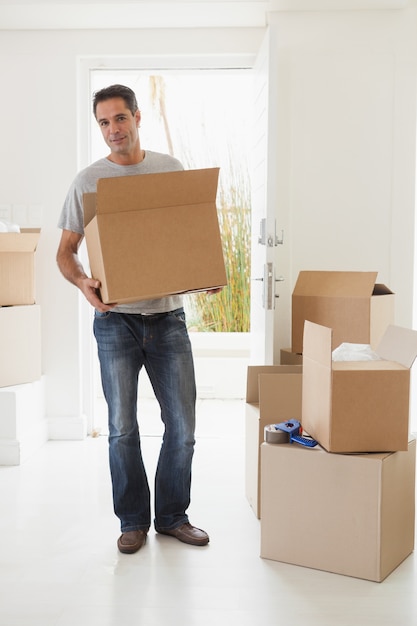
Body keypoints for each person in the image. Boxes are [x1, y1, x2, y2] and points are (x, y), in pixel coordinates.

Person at [57, 84, 216, 554]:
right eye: (104, 123)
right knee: (122, 427)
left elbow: (190, 236)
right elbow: (65, 253)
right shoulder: (88, 181)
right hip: (116, 322)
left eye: (120, 119)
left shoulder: (169, 169)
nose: (113, 131)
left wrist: (204, 271)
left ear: (138, 117)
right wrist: (83, 283)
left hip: (168, 318)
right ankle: (132, 521)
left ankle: (171, 517)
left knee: (183, 426)